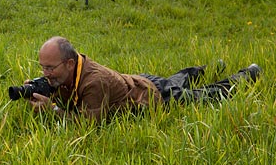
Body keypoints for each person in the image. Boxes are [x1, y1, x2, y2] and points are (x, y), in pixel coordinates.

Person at [26, 36, 261, 122]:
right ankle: (210, 67)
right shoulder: (66, 72)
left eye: (49, 67)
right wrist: (37, 89)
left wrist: (53, 111)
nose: (45, 73)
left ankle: (247, 75)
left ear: (69, 63)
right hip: (139, 81)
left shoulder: (92, 82)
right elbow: (61, 88)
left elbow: (86, 125)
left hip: (151, 97)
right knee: (178, 78)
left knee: (206, 96)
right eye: (42, 67)